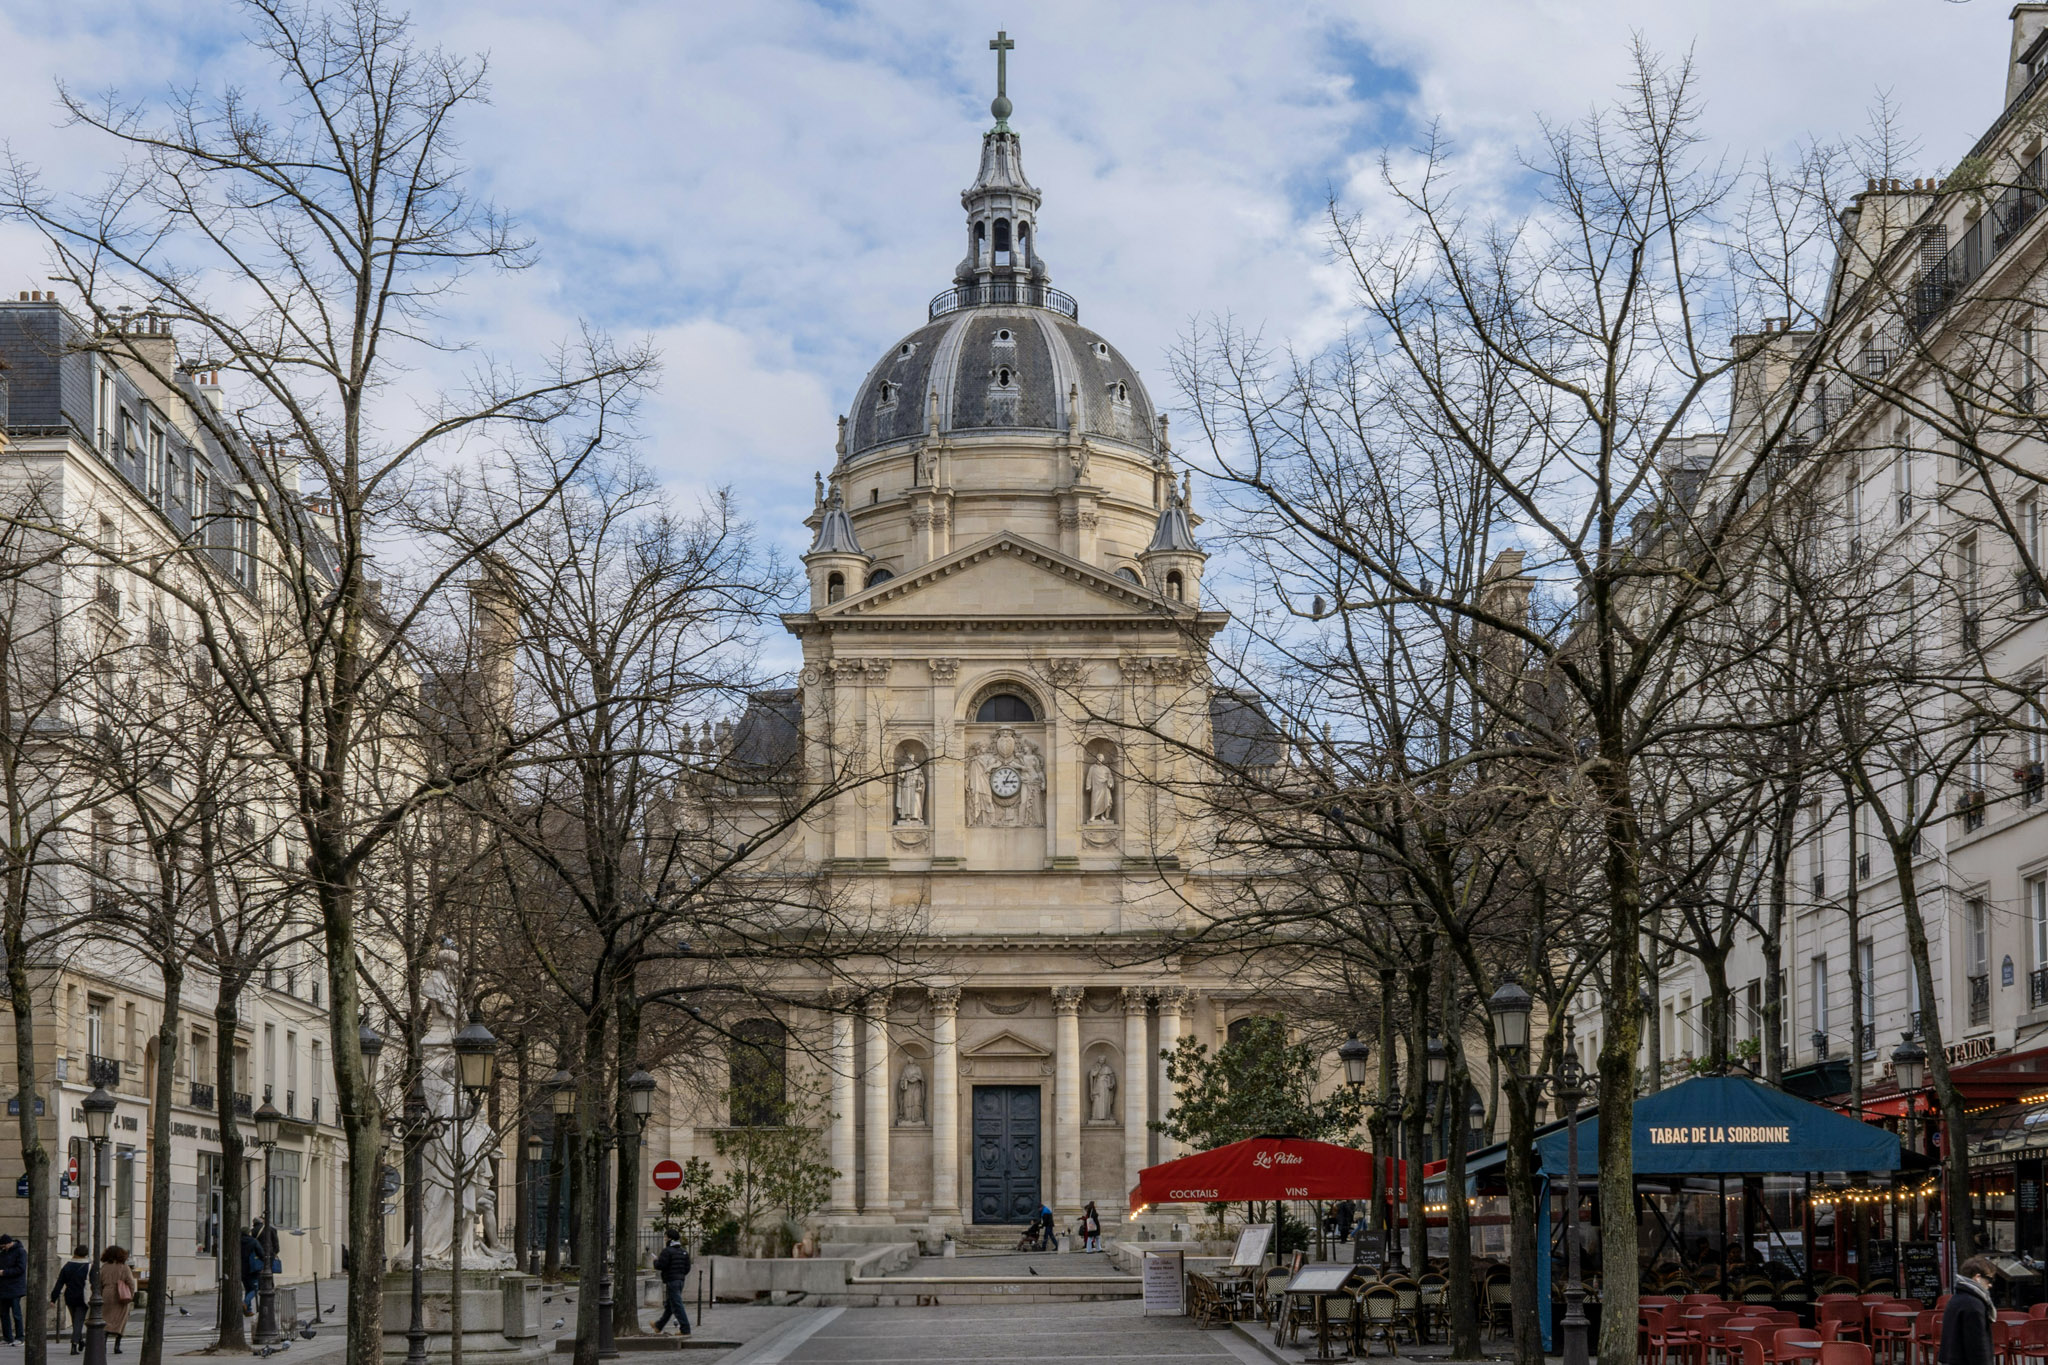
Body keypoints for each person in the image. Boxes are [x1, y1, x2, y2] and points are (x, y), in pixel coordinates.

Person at [1940, 1255, 1998, 1365]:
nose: (1990, 1285)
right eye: (1989, 1279)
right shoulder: (1974, 1304)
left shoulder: (1956, 1299)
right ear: (1977, 1277)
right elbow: (1977, 1345)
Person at [650, 1228, 691, 1338]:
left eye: (665, 1237)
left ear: (669, 1238)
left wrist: (655, 1260)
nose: (664, 1239)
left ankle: (685, 1329)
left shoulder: (667, 1251)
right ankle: (659, 1325)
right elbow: (687, 1268)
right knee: (670, 1305)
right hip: (681, 1280)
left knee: (677, 1305)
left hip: (672, 1281)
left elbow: (660, 1266)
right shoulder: (684, 1252)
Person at [50, 1244, 90, 1354]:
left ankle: (80, 1340)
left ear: (75, 1253)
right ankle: (74, 1344)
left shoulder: (67, 1266)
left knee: (75, 1320)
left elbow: (59, 1283)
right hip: (83, 1297)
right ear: (86, 1254)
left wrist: (53, 1298)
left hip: (70, 1296)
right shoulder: (88, 1267)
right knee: (78, 1321)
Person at [100, 1246, 136, 1354]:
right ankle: (117, 1346)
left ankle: (103, 1345)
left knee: (106, 1319)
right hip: (121, 1295)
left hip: (106, 1293)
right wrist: (131, 1295)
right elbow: (131, 1282)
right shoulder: (124, 1267)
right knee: (121, 1319)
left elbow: (98, 1282)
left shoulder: (104, 1267)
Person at [0, 1232, 25, 1345]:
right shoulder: (2, 1253)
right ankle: (7, 1337)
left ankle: (20, 1337)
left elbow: (20, 1269)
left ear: (9, 1243)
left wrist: (4, 1272)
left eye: (4, 1246)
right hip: (3, 1287)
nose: (3, 1248)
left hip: (15, 1287)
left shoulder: (20, 1252)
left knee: (16, 1313)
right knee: (3, 1313)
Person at [239, 1226, 266, 1315]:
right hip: (252, 1269)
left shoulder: (238, 1241)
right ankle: (245, 1302)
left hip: (241, 1269)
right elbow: (261, 1253)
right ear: (248, 1232)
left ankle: (248, 1310)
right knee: (255, 1288)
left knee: (247, 1288)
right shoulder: (253, 1241)